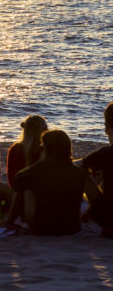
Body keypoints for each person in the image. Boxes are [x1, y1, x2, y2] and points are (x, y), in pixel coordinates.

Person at [9, 129, 100, 235]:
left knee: (26, 185)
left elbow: (17, 183)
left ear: (47, 149)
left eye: (42, 146)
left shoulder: (38, 169)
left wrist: (32, 164)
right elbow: (96, 200)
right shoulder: (79, 172)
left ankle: (8, 220)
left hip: (42, 228)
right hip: (72, 228)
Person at [81, 102, 113, 237]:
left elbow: (78, 166)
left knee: (82, 172)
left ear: (108, 128)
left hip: (109, 218)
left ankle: (85, 213)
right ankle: (87, 212)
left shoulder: (106, 153)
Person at [7, 115, 48, 187]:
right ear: (34, 131)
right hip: (22, 190)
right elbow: (13, 181)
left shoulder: (46, 149)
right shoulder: (17, 150)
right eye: (44, 128)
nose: (47, 131)